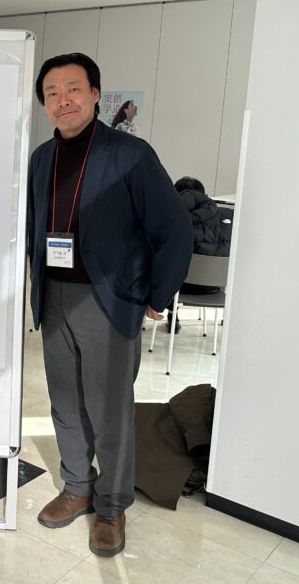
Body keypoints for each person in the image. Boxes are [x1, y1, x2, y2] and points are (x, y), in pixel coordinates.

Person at [27, 52, 192, 557]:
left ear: (96, 95)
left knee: (109, 408)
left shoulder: (130, 155)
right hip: (54, 296)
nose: (63, 100)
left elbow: (173, 228)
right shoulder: (41, 158)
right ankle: (77, 486)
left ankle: (112, 505)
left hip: (108, 298)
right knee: (65, 400)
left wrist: (157, 293)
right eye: (52, 93)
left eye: (73, 89)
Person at [164, 176, 232, 332]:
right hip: (214, 288)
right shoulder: (226, 217)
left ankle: (172, 313)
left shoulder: (171, 219)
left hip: (179, 289)